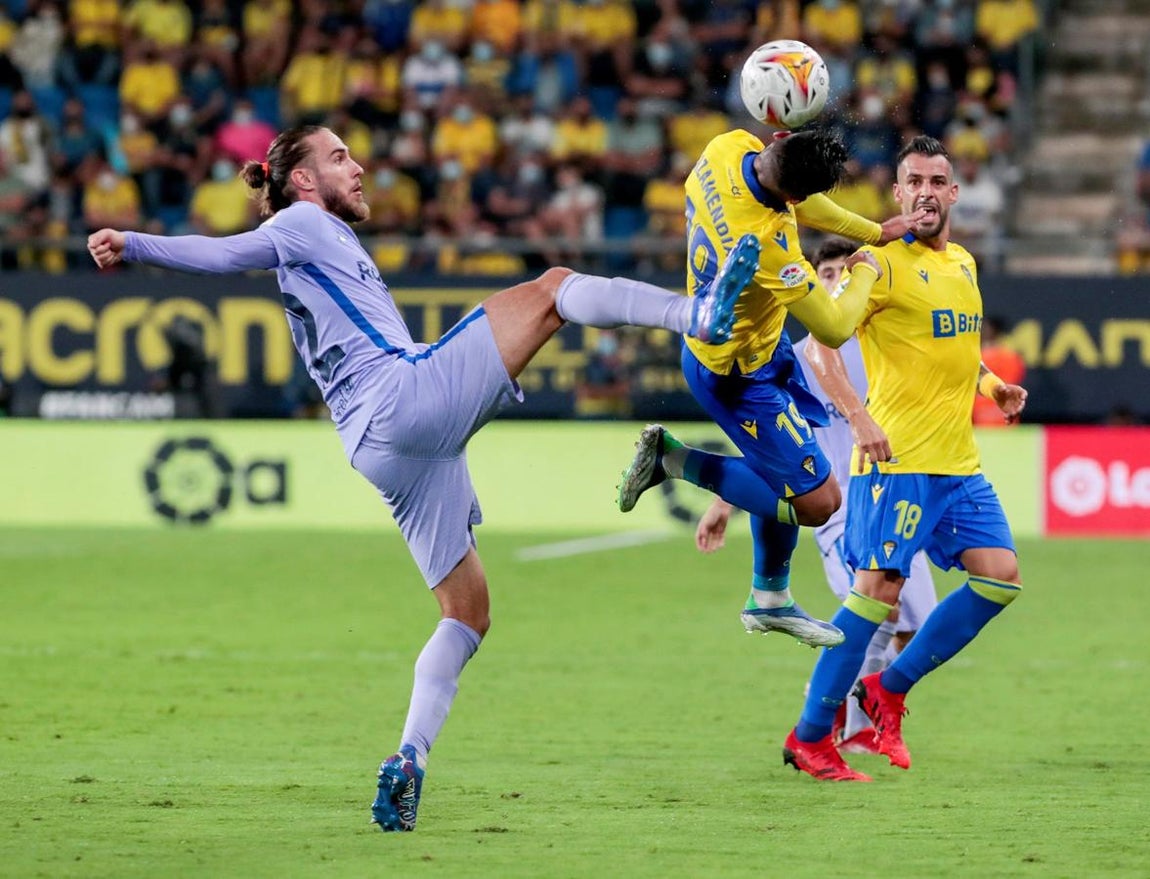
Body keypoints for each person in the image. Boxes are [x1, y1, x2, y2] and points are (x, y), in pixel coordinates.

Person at [86, 124, 762, 832]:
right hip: (402, 400)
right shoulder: (302, 224)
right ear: (305, 181)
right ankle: (699, 314)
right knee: (556, 287)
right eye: (341, 157)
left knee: (466, 613)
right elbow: (222, 253)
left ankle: (407, 759)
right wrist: (133, 243)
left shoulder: (318, 236)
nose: (360, 165)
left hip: (382, 447)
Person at [616, 127, 926, 649]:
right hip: (737, 374)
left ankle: (770, 596)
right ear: (795, 197)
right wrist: (865, 273)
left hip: (751, 347)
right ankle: (673, 460)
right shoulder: (774, 247)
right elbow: (831, 328)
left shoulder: (726, 147)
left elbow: (809, 208)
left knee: (786, 469)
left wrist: (875, 231)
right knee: (817, 502)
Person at [780, 136, 1028, 782]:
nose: (924, 190)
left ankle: (887, 688)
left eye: (935, 180)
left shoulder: (965, 266)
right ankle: (809, 734)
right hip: (897, 463)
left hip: (958, 464)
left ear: (952, 193)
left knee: (1000, 575)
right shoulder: (878, 265)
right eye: (912, 180)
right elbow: (828, 338)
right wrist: (859, 417)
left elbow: (954, 348)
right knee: (876, 597)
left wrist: (992, 386)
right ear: (898, 195)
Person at [693, 237, 938, 753]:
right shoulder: (795, 361)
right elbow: (769, 448)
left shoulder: (878, 345)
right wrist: (723, 504)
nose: (831, 283)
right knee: (881, 613)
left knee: (916, 630)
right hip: (837, 511)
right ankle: (838, 727)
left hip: (892, 505)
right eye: (821, 274)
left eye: (840, 274)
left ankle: (832, 706)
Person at [972, 315, 1025, 426]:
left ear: (994, 330)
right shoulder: (1012, 356)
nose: (981, 332)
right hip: (986, 419)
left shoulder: (1009, 356)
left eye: (984, 328)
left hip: (999, 417)